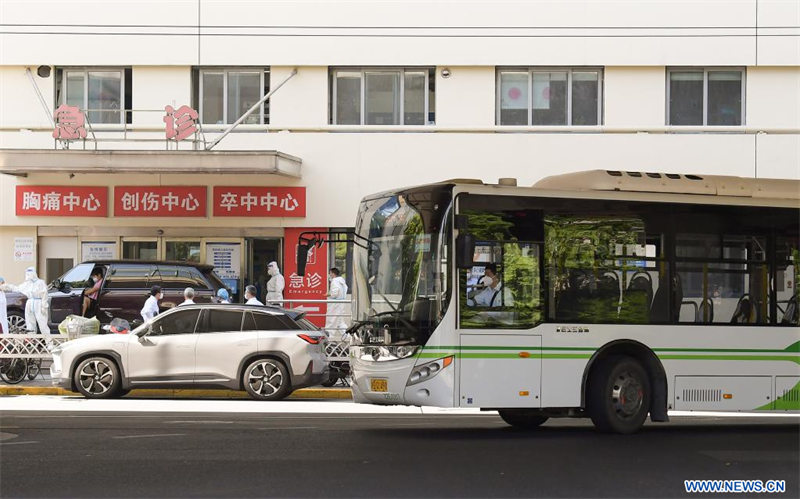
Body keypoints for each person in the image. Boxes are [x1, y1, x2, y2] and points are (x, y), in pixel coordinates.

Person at [2, 267, 52, 348]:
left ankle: (49, 343)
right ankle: (32, 342)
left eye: (29, 274)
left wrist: (44, 305)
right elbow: (16, 288)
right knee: (30, 324)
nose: (28, 275)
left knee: (42, 324)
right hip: (30, 303)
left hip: (38, 303)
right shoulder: (27, 284)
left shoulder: (40, 283)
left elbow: (44, 295)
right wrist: (5, 286)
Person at [325, 267, 349, 338]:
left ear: (333, 273)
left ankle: (329, 338)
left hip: (334, 304)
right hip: (341, 303)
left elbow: (335, 292)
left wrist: (330, 294)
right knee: (340, 322)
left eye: (330, 273)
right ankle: (348, 336)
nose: (329, 275)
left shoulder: (335, 281)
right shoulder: (342, 281)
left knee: (331, 321)